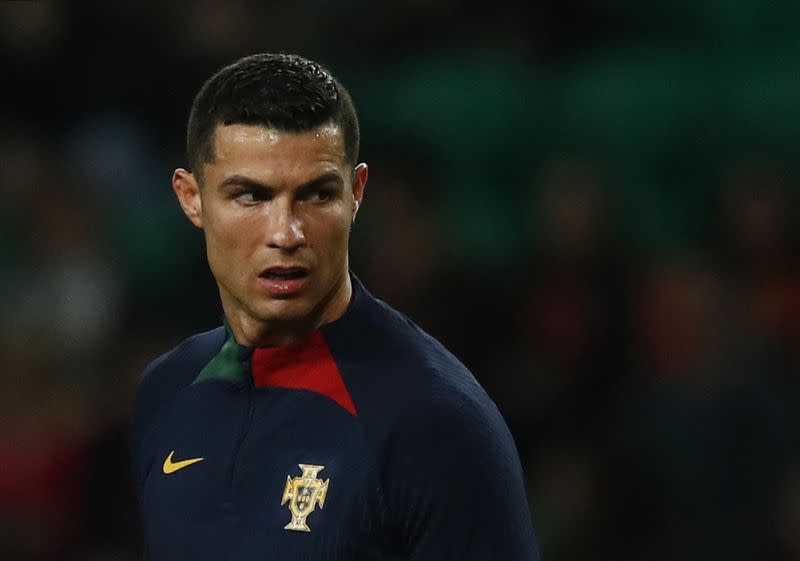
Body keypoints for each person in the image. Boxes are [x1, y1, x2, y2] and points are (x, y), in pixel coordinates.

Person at [131, 52, 540, 561]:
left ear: (356, 193)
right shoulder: (166, 392)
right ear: (191, 198)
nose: (286, 233)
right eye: (251, 197)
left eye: (317, 195)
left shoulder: (436, 423)